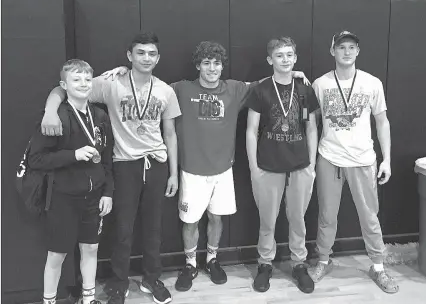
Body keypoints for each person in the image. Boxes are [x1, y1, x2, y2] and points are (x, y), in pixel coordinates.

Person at [101, 41, 310, 293]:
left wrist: (291, 73)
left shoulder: (234, 89)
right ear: (198, 65)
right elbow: (148, 84)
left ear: (223, 66)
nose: (212, 68)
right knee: (190, 221)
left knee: (215, 217)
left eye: (217, 63)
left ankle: (212, 260)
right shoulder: (179, 89)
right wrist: (122, 71)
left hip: (223, 169)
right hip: (191, 169)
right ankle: (190, 263)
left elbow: (269, 83)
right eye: (207, 63)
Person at [40, 32, 181, 304]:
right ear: (130, 56)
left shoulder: (165, 90)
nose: (146, 58)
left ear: (158, 58)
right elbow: (64, 89)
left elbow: (171, 133)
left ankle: (152, 279)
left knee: (154, 228)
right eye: (140, 52)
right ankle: (119, 282)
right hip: (124, 163)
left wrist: (174, 173)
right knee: (123, 228)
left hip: (157, 164)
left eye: (152, 53)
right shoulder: (111, 83)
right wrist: (49, 110)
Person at [309, 31, 399, 294]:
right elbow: (312, 124)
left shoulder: (372, 83)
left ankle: (378, 267)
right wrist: (313, 160)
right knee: (326, 216)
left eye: (351, 47)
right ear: (332, 51)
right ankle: (323, 261)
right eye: (341, 47)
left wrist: (387, 160)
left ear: (358, 51)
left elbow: (382, 122)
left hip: (363, 160)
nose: (346, 52)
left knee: (369, 217)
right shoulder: (321, 84)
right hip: (329, 158)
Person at [29, 59, 114, 304]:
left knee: (91, 249)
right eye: (76, 80)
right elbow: (36, 159)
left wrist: (107, 192)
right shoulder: (55, 117)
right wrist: (72, 155)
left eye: (88, 79)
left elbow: (106, 159)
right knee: (57, 255)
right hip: (62, 198)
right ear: (63, 85)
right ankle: (49, 301)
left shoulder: (100, 116)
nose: (83, 84)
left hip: (93, 197)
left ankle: (88, 298)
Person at [245, 37, 319, 294]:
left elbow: (311, 127)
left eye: (289, 55)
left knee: (298, 218)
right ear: (270, 60)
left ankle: (299, 263)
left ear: (295, 58)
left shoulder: (305, 89)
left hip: (299, 165)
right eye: (279, 55)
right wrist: (254, 168)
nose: (285, 59)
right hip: (268, 165)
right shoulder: (261, 89)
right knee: (268, 220)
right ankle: (265, 264)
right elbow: (251, 130)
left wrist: (312, 165)